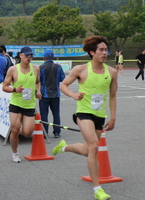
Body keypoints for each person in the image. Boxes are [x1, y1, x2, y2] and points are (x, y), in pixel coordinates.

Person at [52, 36, 117, 200]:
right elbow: (62, 85)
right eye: (101, 50)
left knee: (88, 150)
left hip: (99, 116)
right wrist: (73, 94)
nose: (105, 53)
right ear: (92, 52)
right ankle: (97, 189)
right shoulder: (80, 69)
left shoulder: (112, 72)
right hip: (83, 113)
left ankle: (64, 147)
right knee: (94, 147)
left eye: (105, 50)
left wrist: (113, 118)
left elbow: (113, 96)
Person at [2, 46, 41, 163]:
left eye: (31, 55)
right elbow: (4, 87)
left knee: (28, 132)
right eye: (27, 55)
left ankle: (17, 130)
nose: (29, 57)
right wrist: (15, 90)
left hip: (29, 105)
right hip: (16, 103)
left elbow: (38, 82)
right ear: (21, 56)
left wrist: (38, 91)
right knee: (15, 129)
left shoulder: (36, 69)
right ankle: (15, 153)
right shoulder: (13, 69)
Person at [39, 49, 65, 138]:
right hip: (55, 94)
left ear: (44, 57)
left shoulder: (41, 67)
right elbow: (62, 78)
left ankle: (45, 132)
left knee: (44, 114)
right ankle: (57, 132)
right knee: (56, 113)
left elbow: (38, 80)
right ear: (53, 57)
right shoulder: (58, 66)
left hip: (44, 94)